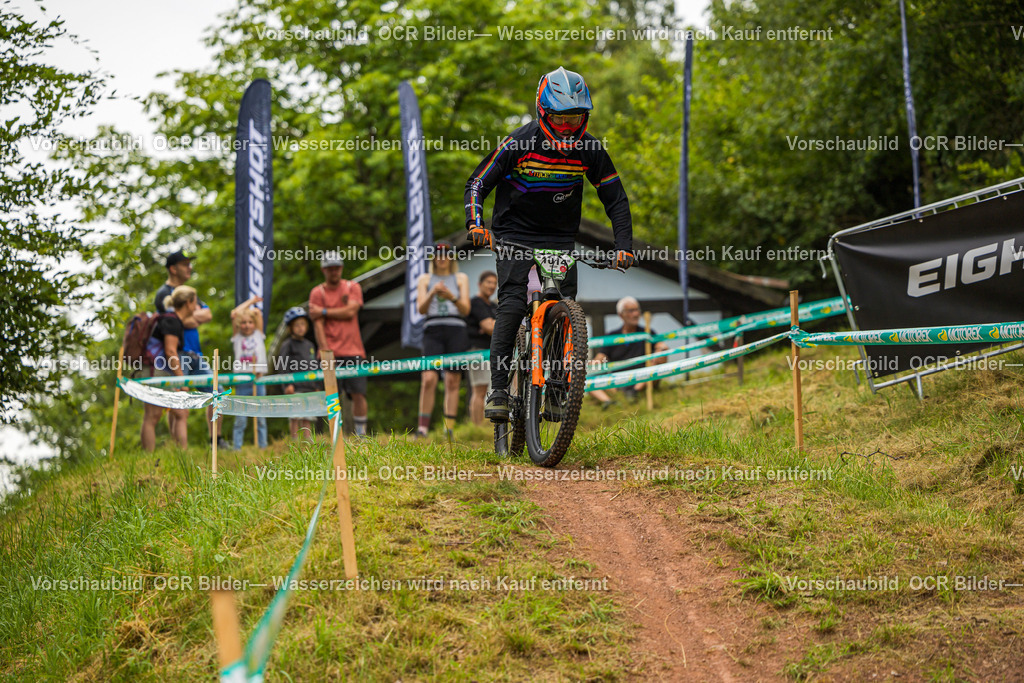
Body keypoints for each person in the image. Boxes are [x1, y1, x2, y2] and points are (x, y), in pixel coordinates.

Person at [464, 66, 635, 421]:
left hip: (559, 237)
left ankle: (557, 386)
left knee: (564, 307)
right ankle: (499, 388)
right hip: (514, 234)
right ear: (543, 113)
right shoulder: (519, 143)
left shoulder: (589, 149)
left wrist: (623, 244)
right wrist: (476, 224)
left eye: (575, 118)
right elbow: (477, 183)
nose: (568, 127)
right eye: (560, 118)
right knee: (512, 304)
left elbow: (615, 199)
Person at [154, 250, 224, 448]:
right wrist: (190, 317)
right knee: (178, 399)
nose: (189, 268)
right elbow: (179, 321)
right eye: (185, 264)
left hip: (196, 354)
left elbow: (207, 315)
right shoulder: (163, 294)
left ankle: (216, 440)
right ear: (173, 268)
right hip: (177, 355)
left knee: (217, 392)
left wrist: (190, 317)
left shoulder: (189, 292)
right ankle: (177, 448)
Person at [308, 251, 369, 437]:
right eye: (330, 269)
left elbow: (351, 311)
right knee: (331, 395)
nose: (334, 272)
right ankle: (335, 434)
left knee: (359, 393)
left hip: (354, 350)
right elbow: (317, 324)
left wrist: (324, 311)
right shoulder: (317, 292)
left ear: (341, 268)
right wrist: (325, 350)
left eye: (336, 268)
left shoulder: (352, 287)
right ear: (323, 270)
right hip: (329, 352)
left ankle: (361, 434)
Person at [415, 241, 471, 437]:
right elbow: (421, 309)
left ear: (451, 257)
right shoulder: (425, 279)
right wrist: (432, 292)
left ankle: (449, 428)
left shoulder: (460, 278)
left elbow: (466, 309)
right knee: (428, 378)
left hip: (456, 328)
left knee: (453, 379)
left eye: (446, 254)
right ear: (433, 258)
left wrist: (451, 296)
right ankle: (422, 428)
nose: (442, 258)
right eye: (438, 255)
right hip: (432, 328)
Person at [141, 285, 198, 451]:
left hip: (158, 370)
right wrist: (182, 381)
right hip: (155, 371)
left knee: (179, 412)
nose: (196, 306)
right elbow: (170, 351)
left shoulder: (171, 319)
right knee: (153, 415)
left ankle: (180, 454)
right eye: (195, 302)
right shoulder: (172, 321)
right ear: (188, 303)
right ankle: (149, 458)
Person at [591, 296, 669, 405]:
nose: (636, 314)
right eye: (631, 311)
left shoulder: (647, 332)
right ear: (621, 315)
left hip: (642, 379)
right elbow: (601, 357)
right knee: (587, 373)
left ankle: (634, 392)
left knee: (661, 357)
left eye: (637, 310)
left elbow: (662, 346)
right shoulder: (612, 336)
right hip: (617, 382)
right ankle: (608, 402)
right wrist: (592, 365)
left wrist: (660, 350)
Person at [230, 295, 268, 449]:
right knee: (241, 417)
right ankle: (237, 448)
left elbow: (258, 313)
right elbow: (234, 314)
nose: (247, 325)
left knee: (261, 416)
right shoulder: (237, 337)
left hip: (258, 379)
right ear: (239, 324)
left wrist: (253, 310)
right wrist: (251, 301)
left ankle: (263, 447)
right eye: (244, 322)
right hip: (242, 380)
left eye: (250, 322)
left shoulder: (259, 334)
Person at [277, 306, 319, 439]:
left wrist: (317, 385)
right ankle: (295, 442)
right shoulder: (287, 345)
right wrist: (287, 384)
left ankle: (307, 441)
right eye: (297, 325)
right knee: (295, 415)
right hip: (295, 387)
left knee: (308, 416)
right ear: (290, 328)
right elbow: (282, 365)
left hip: (309, 387)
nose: (300, 328)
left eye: (302, 324)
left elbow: (314, 365)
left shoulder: (310, 345)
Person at [466, 270, 497, 425]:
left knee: (489, 388)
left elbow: (492, 327)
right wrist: (490, 326)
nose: (492, 286)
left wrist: (491, 325)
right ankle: (476, 426)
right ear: (480, 284)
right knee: (479, 389)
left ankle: (484, 426)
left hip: (492, 351)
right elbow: (490, 327)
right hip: (477, 350)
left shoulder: (493, 306)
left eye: (494, 283)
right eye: (488, 282)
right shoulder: (476, 302)